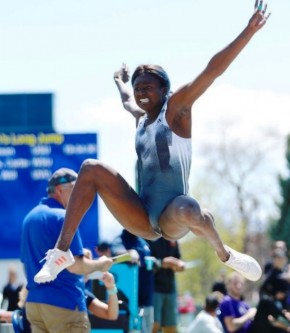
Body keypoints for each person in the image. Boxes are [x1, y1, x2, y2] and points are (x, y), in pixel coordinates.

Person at [34, 0, 271, 286]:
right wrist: (121, 83)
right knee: (90, 168)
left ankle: (226, 254)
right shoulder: (140, 118)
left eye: (147, 88)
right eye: (137, 90)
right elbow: (126, 101)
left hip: (171, 215)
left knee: (190, 209)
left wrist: (248, 31)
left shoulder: (177, 110)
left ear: (164, 90)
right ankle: (61, 252)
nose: (141, 94)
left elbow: (212, 71)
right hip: (142, 216)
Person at [20, 168, 113, 333]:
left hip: (35, 306)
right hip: (64, 305)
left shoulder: (29, 218)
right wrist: (100, 264)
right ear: (60, 189)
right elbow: (75, 266)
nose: (80, 195)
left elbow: (30, 263)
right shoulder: (64, 217)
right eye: (75, 189)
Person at [219, 272, 290, 333]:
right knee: (264, 301)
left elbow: (263, 318)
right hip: (249, 332)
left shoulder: (243, 304)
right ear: (228, 285)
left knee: (283, 332)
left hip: (256, 329)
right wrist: (248, 315)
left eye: (240, 282)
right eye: (235, 282)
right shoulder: (227, 301)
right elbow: (231, 327)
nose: (238, 285)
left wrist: (283, 320)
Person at [120, 229, 155, 333]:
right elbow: (114, 252)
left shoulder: (143, 241)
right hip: (131, 301)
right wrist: (129, 254)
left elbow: (147, 259)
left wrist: (155, 263)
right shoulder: (121, 240)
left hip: (147, 298)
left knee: (147, 330)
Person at [149, 238, 185, 333]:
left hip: (170, 289)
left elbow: (178, 258)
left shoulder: (173, 237)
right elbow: (145, 262)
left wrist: (179, 265)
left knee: (171, 325)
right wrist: (161, 263)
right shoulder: (150, 236)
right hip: (154, 288)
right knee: (154, 324)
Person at [82, 248, 119, 321]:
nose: (88, 271)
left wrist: (111, 287)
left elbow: (111, 315)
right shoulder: (58, 287)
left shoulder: (84, 294)